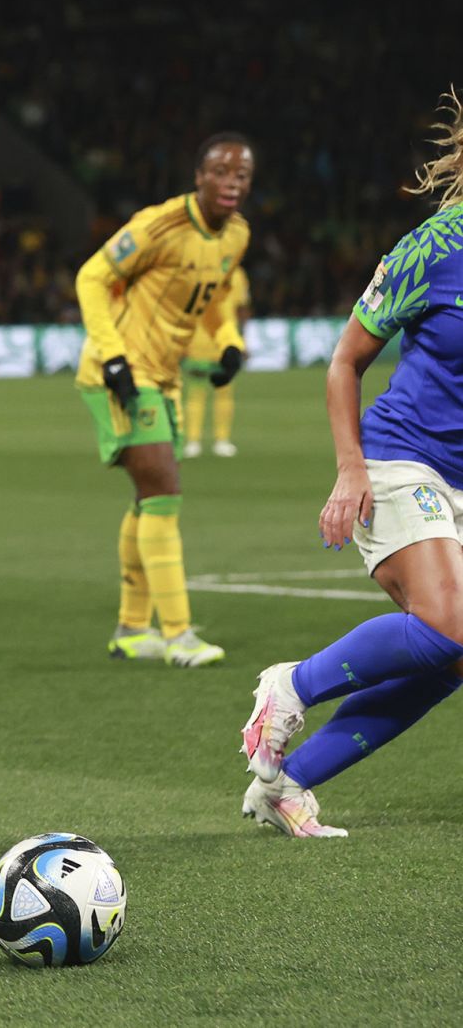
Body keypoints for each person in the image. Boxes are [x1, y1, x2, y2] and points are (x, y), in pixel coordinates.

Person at [240, 90, 463, 838]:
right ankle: (291, 685)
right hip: (402, 459)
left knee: (451, 658)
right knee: (447, 627)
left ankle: (288, 785)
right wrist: (350, 467)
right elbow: (345, 360)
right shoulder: (435, 247)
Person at [75, 132, 253, 667]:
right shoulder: (160, 225)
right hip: (122, 375)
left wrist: (228, 343)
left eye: (241, 175)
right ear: (199, 176)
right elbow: (92, 276)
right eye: (221, 172)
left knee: (150, 497)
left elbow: (217, 298)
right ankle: (179, 636)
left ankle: (132, 629)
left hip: (165, 376)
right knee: (164, 492)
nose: (231, 183)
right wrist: (113, 358)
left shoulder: (236, 235)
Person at [182, 266, 250, 458]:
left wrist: (242, 340)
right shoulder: (196, 270)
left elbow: (241, 309)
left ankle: (222, 440)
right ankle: (193, 440)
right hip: (199, 340)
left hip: (225, 342)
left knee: (224, 392)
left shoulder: (237, 274)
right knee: (196, 391)